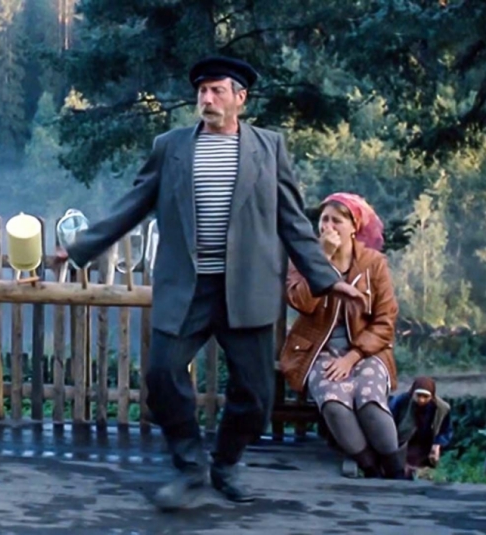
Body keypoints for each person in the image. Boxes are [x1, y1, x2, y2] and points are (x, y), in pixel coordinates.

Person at [53, 55, 365, 511]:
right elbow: (133, 204)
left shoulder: (268, 148)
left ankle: (227, 462)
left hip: (247, 287)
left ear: (240, 98)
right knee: (161, 374)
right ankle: (190, 467)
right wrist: (81, 247)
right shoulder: (171, 147)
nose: (207, 98)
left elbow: (293, 221)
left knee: (255, 394)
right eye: (202, 91)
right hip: (188, 286)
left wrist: (325, 277)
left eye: (218, 90)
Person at [280, 192, 410, 479]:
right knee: (335, 405)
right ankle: (370, 468)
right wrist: (322, 260)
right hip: (318, 351)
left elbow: (385, 320)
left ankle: (396, 471)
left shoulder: (373, 263)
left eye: (336, 221)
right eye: (324, 220)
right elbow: (301, 302)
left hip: (366, 350)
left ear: (354, 227)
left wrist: (353, 356)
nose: (328, 226)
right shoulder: (304, 260)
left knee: (369, 402)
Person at [389, 376, 453, 471]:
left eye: (426, 397)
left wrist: (437, 444)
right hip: (402, 445)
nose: (421, 400)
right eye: (418, 395)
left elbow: (446, 431)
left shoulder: (441, 409)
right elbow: (389, 422)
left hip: (426, 449)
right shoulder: (401, 402)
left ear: (432, 396)